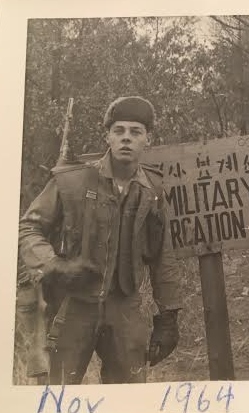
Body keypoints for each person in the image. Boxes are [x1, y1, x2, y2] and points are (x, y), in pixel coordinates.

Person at [18, 96, 181, 384]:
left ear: (148, 139)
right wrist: (53, 265)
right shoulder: (72, 181)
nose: (126, 139)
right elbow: (29, 229)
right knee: (57, 393)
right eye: (119, 131)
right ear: (107, 136)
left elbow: (162, 256)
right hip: (73, 305)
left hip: (125, 310)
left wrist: (168, 316)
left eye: (135, 132)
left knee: (128, 398)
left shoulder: (153, 190)